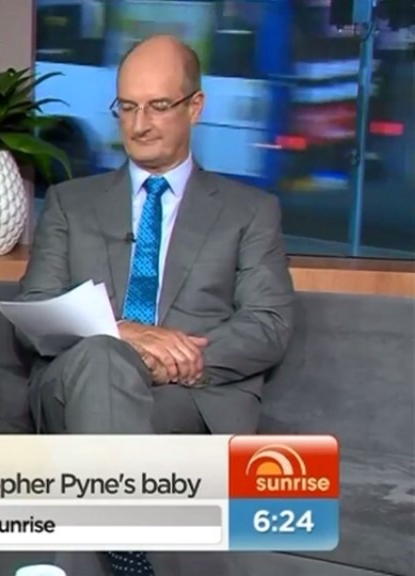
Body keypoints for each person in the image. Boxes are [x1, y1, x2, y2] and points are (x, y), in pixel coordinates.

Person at [17, 35, 295, 576]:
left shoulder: (250, 211)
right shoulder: (72, 203)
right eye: (127, 107)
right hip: (77, 387)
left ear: (196, 106)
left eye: (158, 106)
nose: (139, 124)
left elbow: (269, 324)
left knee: (106, 406)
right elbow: (37, 307)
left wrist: (173, 359)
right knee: (103, 358)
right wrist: (120, 334)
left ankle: (117, 545)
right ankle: (129, 551)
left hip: (189, 399)